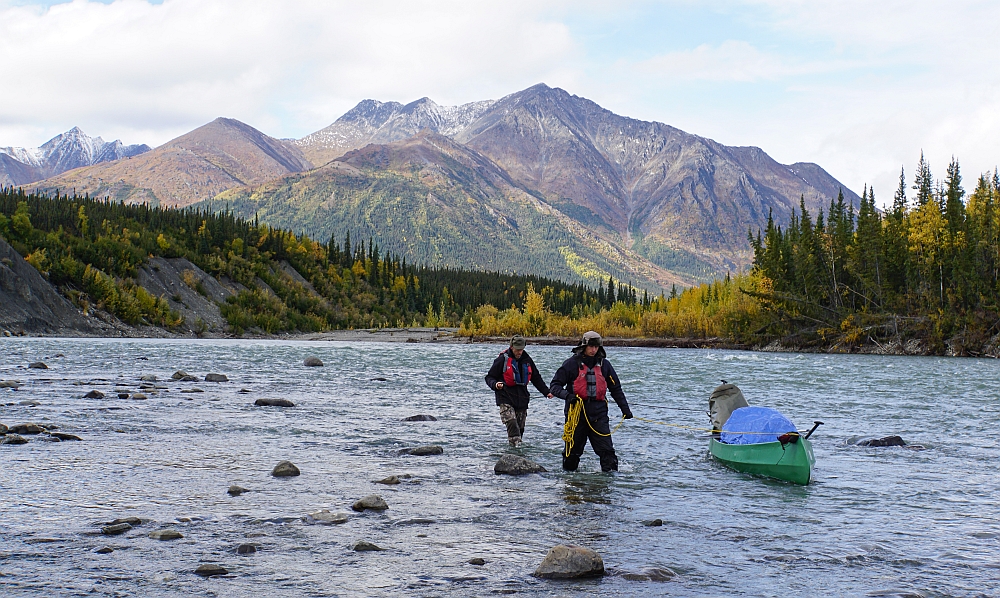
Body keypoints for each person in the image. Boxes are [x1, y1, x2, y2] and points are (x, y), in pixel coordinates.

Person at [548, 331, 633, 472]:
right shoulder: (570, 364)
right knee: (571, 454)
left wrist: (625, 410)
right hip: (576, 415)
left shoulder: (605, 365)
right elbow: (555, 386)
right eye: (591, 346)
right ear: (584, 346)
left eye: (596, 347)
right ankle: (570, 484)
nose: (593, 350)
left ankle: (609, 485)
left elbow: (616, 389)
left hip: (598, 415)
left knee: (607, 453)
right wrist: (568, 396)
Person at [485, 335, 553, 447]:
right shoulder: (502, 359)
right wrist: (495, 384)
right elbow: (489, 377)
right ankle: (515, 451)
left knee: (520, 430)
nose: (520, 352)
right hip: (505, 397)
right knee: (512, 424)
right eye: (517, 349)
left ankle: (516, 454)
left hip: (522, 399)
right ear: (511, 347)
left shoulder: (527, 360)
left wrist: (546, 392)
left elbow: (536, 378)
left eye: (521, 349)